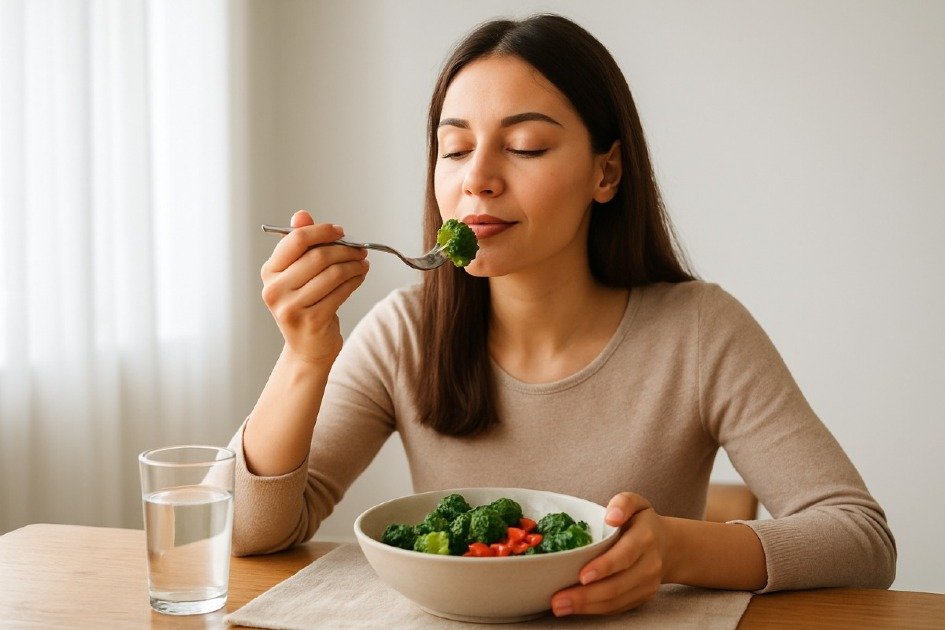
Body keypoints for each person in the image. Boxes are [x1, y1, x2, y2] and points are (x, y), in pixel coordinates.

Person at [229, 13, 895, 617]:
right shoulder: (405, 331)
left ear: (605, 174)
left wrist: (674, 550)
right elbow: (245, 531)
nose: (477, 179)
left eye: (524, 146)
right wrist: (305, 355)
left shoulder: (698, 331)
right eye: (454, 149)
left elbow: (858, 538)